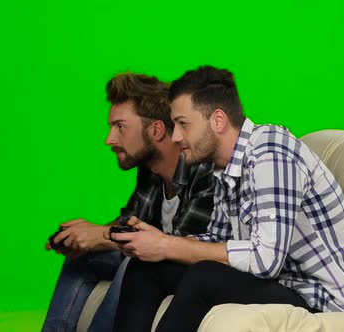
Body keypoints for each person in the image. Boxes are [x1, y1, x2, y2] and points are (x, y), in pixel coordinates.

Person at [111, 65, 344, 332]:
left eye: (182, 124)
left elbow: (265, 259)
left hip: (325, 300)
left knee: (204, 277)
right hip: (284, 283)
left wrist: (168, 245)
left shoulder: (270, 154)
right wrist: (155, 243)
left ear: (218, 121)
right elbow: (217, 238)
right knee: (147, 268)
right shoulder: (227, 167)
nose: (175, 137)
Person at [42, 72, 215, 332]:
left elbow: (183, 244)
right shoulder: (150, 166)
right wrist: (84, 237)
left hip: (194, 269)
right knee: (82, 258)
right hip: (159, 260)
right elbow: (131, 222)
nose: (109, 139)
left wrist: (101, 235)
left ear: (156, 129)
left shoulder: (205, 167)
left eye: (120, 127)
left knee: (134, 265)